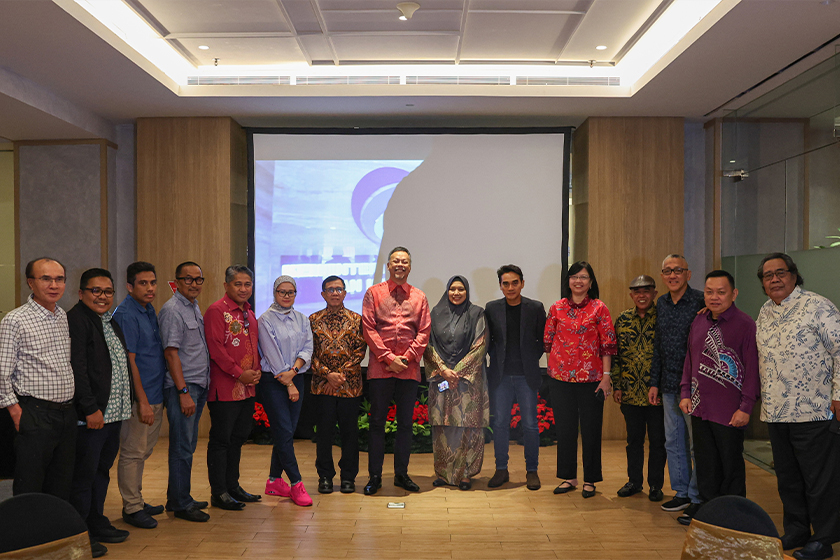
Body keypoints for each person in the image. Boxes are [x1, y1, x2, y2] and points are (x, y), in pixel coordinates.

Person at [755, 253, 840, 560]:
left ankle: (825, 539)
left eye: (781, 272)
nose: (774, 279)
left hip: (814, 410)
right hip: (777, 411)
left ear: (794, 275)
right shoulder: (764, 312)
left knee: (819, 480)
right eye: (768, 275)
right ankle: (797, 529)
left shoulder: (819, 306)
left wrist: (839, 395)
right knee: (788, 478)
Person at [678, 270, 759, 526]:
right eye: (709, 292)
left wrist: (746, 406)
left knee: (731, 467)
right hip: (700, 407)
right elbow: (689, 360)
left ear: (733, 294)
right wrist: (684, 393)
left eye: (721, 292)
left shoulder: (746, 324)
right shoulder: (699, 321)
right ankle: (710, 516)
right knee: (705, 464)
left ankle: (735, 518)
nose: (714, 297)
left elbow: (752, 370)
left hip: (730, 410)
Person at [68, 268, 132, 557]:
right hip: (92, 415)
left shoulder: (108, 320)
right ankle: (78, 534)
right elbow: (78, 369)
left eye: (108, 291)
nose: (103, 296)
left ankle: (96, 520)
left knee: (100, 471)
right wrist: (90, 408)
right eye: (96, 291)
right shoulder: (77, 320)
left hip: (114, 413)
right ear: (81, 293)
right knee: (83, 475)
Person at [0, 258, 75, 499]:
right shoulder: (15, 320)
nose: (54, 285)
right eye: (46, 279)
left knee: (61, 482)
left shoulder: (62, 316)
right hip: (34, 412)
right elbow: (2, 372)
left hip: (65, 413)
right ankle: (27, 537)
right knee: (30, 485)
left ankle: (54, 536)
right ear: (31, 283)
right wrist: (15, 411)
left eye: (59, 279)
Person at [361, 246, 430, 495]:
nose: (400, 265)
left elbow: (423, 332)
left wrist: (408, 357)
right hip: (381, 370)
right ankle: (375, 477)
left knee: (405, 425)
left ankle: (401, 474)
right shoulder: (373, 293)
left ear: (410, 267)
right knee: (377, 423)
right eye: (395, 261)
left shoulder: (419, 296)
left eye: (405, 261)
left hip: (409, 371)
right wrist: (388, 358)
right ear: (388, 265)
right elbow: (368, 328)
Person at [544, 261, 616, 498]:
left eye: (583, 277)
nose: (578, 281)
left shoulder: (599, 308)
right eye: (574, 277)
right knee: (565, 430)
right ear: (568, 281)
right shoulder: (556, 308)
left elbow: (607, 346)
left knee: (591, 431)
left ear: (591, 282)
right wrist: (557, 367)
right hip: (560, 380)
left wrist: (606, 378)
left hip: (592, 380)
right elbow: (548, 341)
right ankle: (569, 477)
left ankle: (591, 480)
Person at [648, 254, 705, 516]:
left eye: (677, 270)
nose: (672, 275)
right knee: (673, 442)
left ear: (688, 274)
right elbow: (658, 346)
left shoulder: (701, 302)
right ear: (662, 276)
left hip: (695, 386)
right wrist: (654, 382)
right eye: (667, 271)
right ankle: (681, 492)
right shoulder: (660, 303)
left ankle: (697, 495)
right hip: (669, 384)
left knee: (696, 444)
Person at [113, 261, 167, 529]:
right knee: (133, 452)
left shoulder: (147, 309)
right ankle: (132, 507)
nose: (150, 288)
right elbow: (129, 361)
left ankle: (137, 497)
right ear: (129, 286)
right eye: (143, 283)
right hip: (139, 397)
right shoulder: (126, 314)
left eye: (153, 282)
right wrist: (142, 401)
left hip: (156, 392)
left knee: (143, 451)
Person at [158, 261, 211, 523]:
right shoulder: (172, 310)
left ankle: (178, 497)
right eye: (187, 279)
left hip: (197, 384)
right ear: (176, 282)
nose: (193, 284)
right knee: (181, 447)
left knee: (187, 445)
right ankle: (181, 503)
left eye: (198, 279)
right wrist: (182, 391)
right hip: (184, 387)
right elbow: (171, 353)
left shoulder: (193, 306)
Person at [205, 265, 262, 511]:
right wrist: (240, 374)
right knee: (221, 441)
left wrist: (255, 374)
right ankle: (218, 492)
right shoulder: (217, 311)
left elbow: (254, 348)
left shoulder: (249, 314)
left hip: (247, 389)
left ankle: (233, 486)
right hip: (225, 388)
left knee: (238, 439)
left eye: (247, 284)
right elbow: (216, 349)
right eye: (238, 284)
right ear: (226, 285)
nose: (243, 289)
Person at [484, 264, 546, 490]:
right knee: (500, 424)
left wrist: (530, 359)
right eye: (506, 283)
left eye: (515, 283)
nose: (510, 287)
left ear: (522, 283)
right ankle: (501, 470)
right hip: (500, 376)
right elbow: (488, 342)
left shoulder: (535, 308)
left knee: (530, 425)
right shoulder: (491, 309)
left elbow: (542, 341)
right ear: (500, 286)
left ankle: (532, 471)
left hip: (526, 375)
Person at [424, 275, 489, 490]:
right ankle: (443, 473)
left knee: (468, 426)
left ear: (467, 291)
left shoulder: (477, 313)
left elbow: (480, 345)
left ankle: (465, 475)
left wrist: (457, 373)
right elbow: (427, 344)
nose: (456, 293)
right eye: (452, 289)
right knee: (443, 427)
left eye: (461, 289)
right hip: (441, 379)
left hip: (468, 382)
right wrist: (443, 370)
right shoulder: (435, 313)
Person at [257, 275, 314, 507]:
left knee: (286, 432)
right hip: (274, 382)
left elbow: (308, 347)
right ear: (274, 293)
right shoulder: (265, 320)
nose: (287, 296)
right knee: (282, 430)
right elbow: (271, 353)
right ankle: (296, 483)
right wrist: (288, 381)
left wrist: (295, 371)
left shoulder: (302, 319)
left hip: (297, 378)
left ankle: (273, 481)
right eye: (282, 292)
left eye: (291, 292)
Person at [309, 276, 367, 495]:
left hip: (350, 386)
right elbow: (309, 352)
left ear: (345, 293)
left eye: (339, 289)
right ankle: (324, 476)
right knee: (324, 434)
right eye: (330, 289)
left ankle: (348, 477)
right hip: (322, 387)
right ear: (323, 294)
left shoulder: (356, 319)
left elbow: (360, 351)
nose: (335, 293)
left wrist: (340, 375)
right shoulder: (313, 319)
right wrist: (327, 375)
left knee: (349, 434)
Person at [612, 274, 665, 502]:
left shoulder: (663, 318)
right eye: (637, 291)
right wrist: (617, 385)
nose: (641, 295)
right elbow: (615, 356)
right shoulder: (623, 320)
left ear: (654, 293)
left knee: (657, 441)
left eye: (646, 291)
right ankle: (634, 481)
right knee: (633, 440)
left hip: (658, 393)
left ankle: (656, 485)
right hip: (630, 392)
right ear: (631, 295)